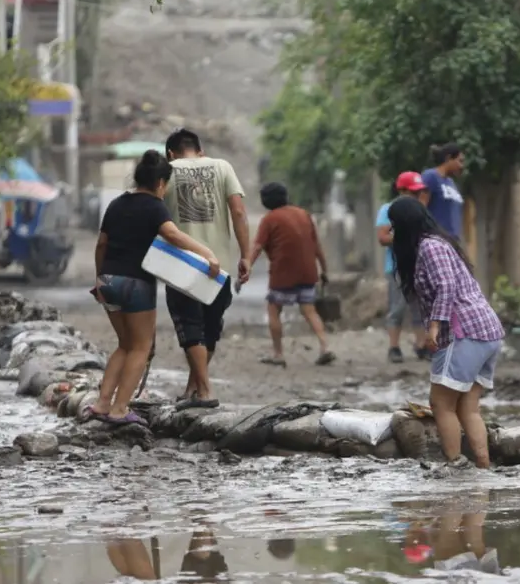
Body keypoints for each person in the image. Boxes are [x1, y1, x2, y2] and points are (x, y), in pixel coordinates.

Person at [87, 150, 220, 426]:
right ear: (161, 182)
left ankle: (102, 404)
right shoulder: (154, 206)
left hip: (108, 282)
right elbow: (172, 234)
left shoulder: (116, 204)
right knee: (141, 347)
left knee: (124, 345)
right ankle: (120, 409)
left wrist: (99, 280)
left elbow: (101, 244)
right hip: (136, 284)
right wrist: (207, 253)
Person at [388, 196, 504, 471]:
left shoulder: (429, 246)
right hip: (487, 332)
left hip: (465, 332)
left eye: (394, 226)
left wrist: (435, 327)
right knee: (467, 407)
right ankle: (483, 466)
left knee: (440, 403)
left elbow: (446, 285)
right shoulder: (439, 243)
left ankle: (455, 464)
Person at [163, 128, 251, 410]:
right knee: (210, 329)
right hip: (219, 266)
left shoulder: (166, 170)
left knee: (191, 328)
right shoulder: (222, 166)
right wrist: (246, 255)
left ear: (170, 153)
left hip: (182, 266)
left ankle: (204, 391)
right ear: (200, 151)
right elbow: (238, 212)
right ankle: (194, 388)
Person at [249, 182, 335, 366]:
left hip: (283, 274)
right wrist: (324, 270)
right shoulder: (303, 214)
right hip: (308, 272)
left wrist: (246, 266)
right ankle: (325, 346)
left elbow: (257, 247)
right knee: (309, 310)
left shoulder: (270, 219)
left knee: (273, 309)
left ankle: (278, 354)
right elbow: (317, 246)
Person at [376, 172, 431, 363]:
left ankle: (422, 345)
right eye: (412, 192)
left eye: (418, 192)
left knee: (420, 308)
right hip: (397, 267)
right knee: (397, 308)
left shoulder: (420, 210)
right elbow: (383, 237)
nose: (416, 196)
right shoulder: (388, 210)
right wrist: (405, 238)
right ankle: (394, 347)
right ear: (401, 190)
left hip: (419, 266)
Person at [421, 143, 465, 240]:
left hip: (453, 242)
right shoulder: (430, 177)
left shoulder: (451, 183)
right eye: (460, 161)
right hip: (436, 240)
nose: (462, 166)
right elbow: (420, 209)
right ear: (449, 158)